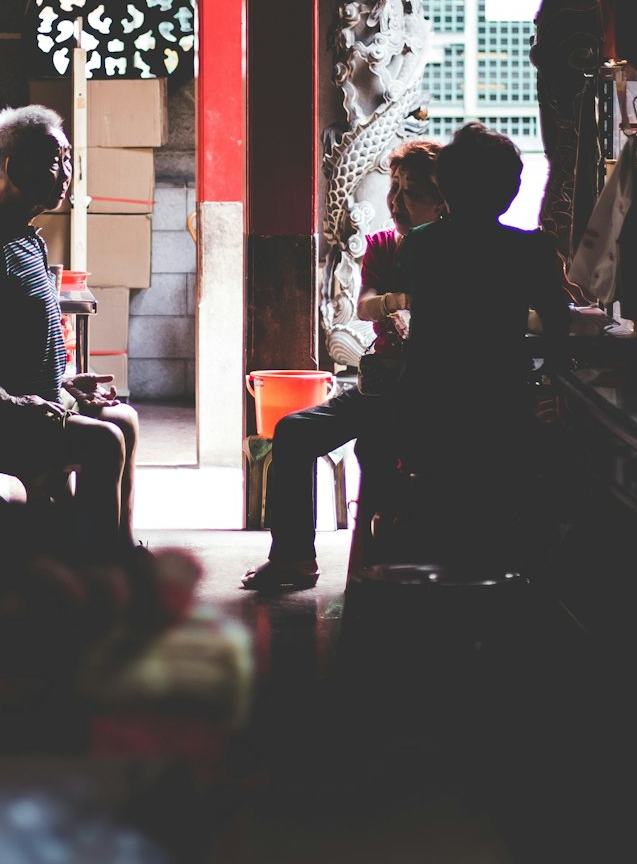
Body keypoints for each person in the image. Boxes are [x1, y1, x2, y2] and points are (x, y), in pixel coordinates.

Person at [0, 104, 139, 562]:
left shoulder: (27, 239)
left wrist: (64, 380)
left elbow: (13, 342)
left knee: (124, 418)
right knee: (104, 442)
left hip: (35, 403)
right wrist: (13, 403)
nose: (64, 173)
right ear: (12, 166)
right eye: (53, 160)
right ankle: (96, 573)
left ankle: (118, 550)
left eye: (67, 160)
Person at [240, 138, 445, 593]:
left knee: (377, 445)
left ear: (443, 200)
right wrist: (402, 302)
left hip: (436, 392)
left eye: (410, 192)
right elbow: (366, 306)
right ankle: (293, 558)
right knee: (293, 431)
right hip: (384, 385)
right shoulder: (385, 247)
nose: (395, 202)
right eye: (393, 189)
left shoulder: (455, 252)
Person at [375, 121, 571, 568]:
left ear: (445, 187)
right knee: (505, 506)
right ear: (511, 190)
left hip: (426, 404)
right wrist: (547, 380)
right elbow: (557, 322)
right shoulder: (532, 250)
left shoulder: (420, 245)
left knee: (440, 506)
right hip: (501, 406)